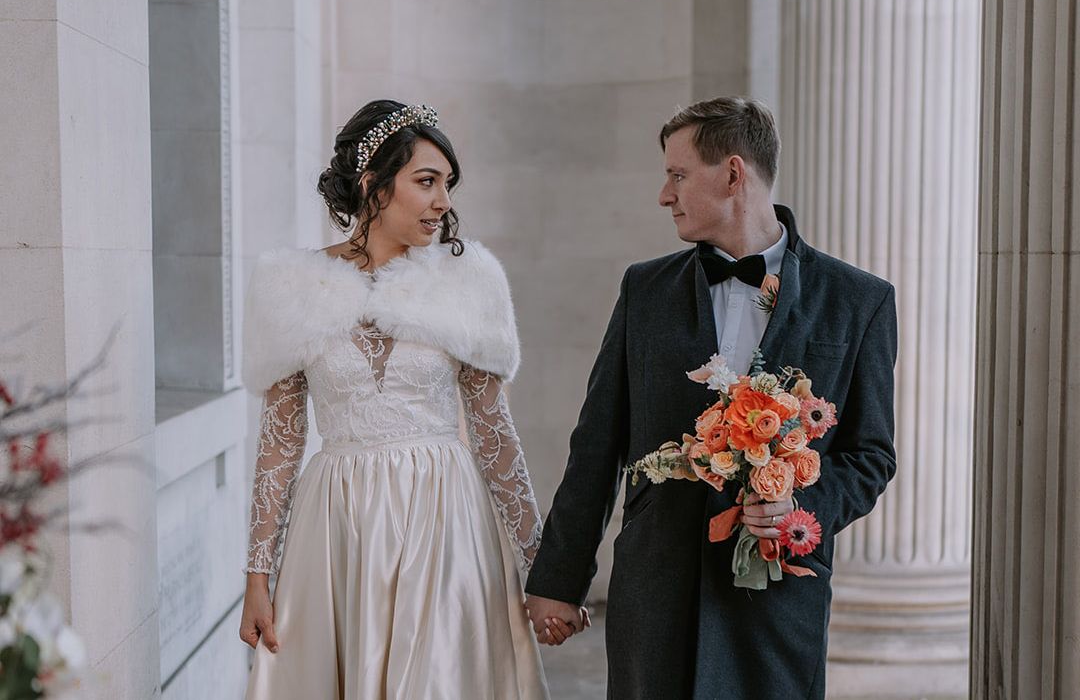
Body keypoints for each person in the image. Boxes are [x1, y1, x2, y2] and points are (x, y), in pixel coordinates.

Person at [524, 96, 898, 699]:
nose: (663, 195)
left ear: (731, 174)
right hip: (655, 593)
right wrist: (560, 578)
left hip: (777, 603)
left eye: (677, 175)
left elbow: (871, 456)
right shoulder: (644, 289)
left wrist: (802, 506)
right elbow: (598, 442)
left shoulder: (860, 301)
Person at [237, 100, 568, 699]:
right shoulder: (292, 286)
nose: (444, 201)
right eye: (426, 181)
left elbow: (495, 435)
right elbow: (279, 444)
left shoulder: (468, 283)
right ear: (373, 184)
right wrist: (257, 577)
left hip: (445, 516)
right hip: (337, 524)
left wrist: (547, 570)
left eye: (447, 184)